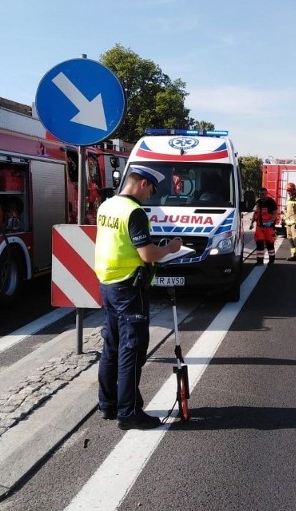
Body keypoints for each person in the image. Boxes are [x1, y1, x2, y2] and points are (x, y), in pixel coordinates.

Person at [94, 165, 182, 430]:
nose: (149, 196)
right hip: (129, 290)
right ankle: (129, 413)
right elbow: (146, 255)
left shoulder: (107, 206)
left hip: (108, 284)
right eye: (151, 190)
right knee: (131, 351)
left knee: (111, 348)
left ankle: (108, 405)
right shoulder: (134, 212)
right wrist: (170, 248)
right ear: (143, 183)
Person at [249, 186, 277, 265]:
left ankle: (271, 260)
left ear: (267, 194)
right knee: (259, 244)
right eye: (260, 194)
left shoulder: (271, 202)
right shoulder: (258, 202)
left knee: (270, 244)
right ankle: (259, 261)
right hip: (259, 227)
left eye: (263, 194)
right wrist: (252, 223)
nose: (262, 196)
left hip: (269, 228)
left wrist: (270, 221)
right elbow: (255, 213)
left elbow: (275, 213)